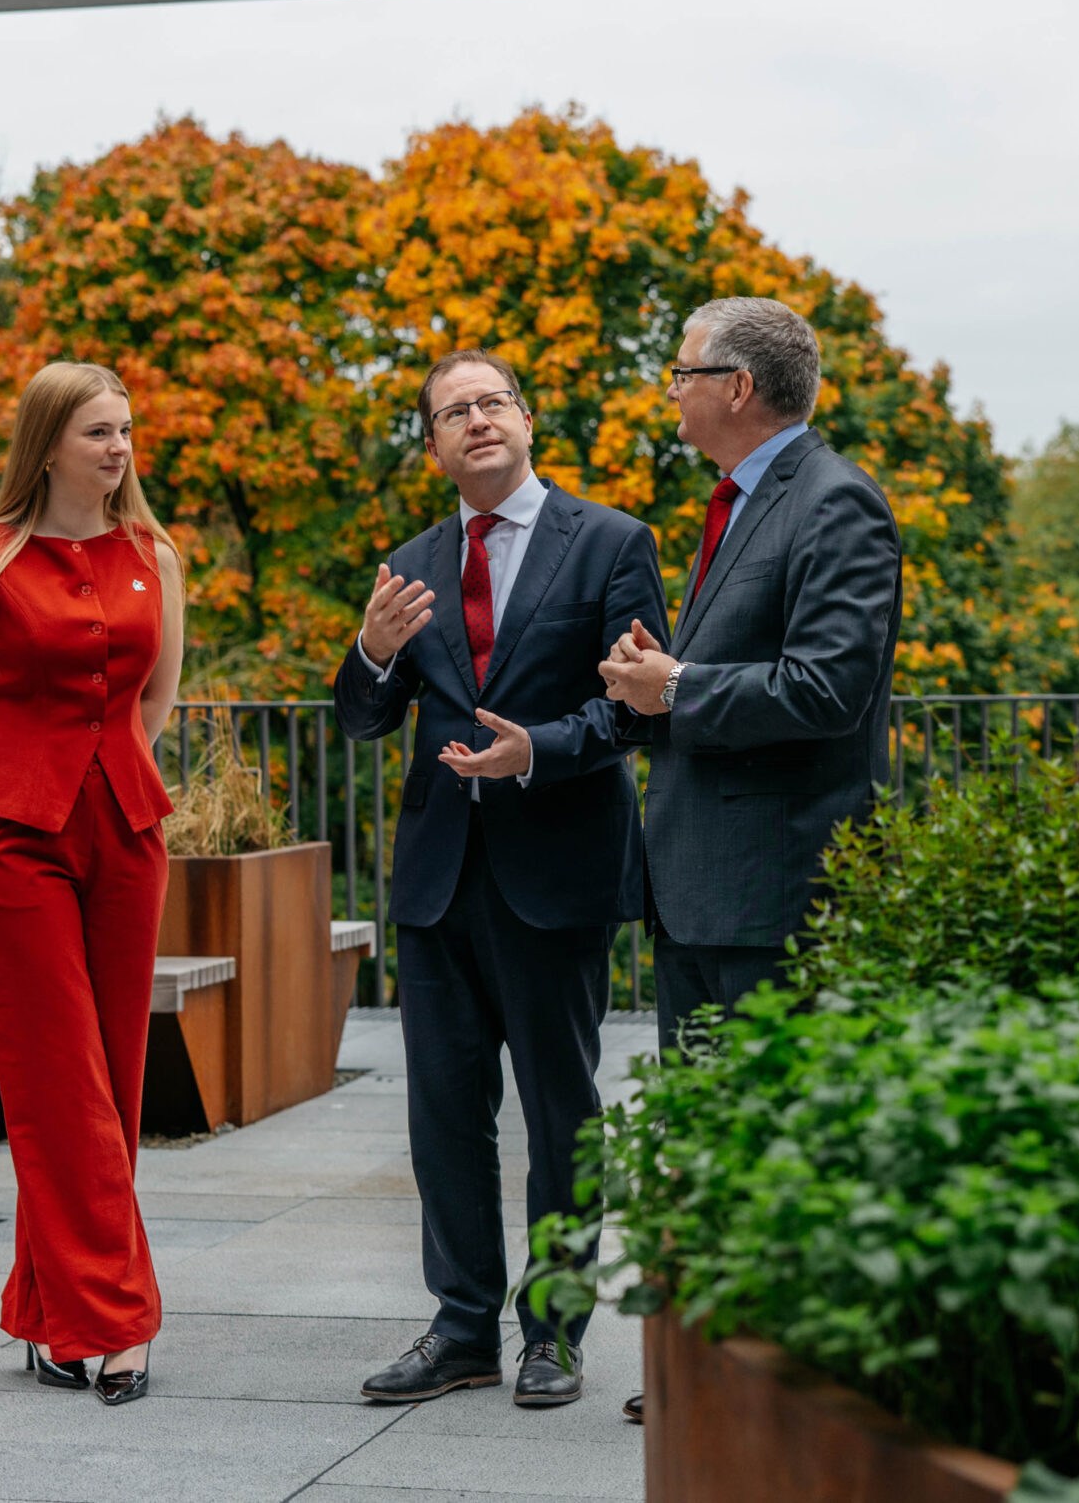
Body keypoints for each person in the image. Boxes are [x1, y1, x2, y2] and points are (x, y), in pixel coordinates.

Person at [335, 348, 668, 1412]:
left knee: (561, 1113)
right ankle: (462, 1326)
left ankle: (555, 1332)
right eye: (452, 412)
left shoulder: (611, 541)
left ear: (525, 422)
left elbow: (635, 702)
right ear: (434, 446)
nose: (475, 421)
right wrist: (371, 651)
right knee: (442, 1114)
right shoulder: (412, 560)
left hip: (555, 868)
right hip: (439, 879)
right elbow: (361, 715)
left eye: (492, 403)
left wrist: (541, 750)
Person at [597, 296, 903, 1426]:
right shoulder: (738, 501)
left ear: (736, 386)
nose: (668, 388)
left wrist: (675, 686)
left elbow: (828, 693)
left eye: (679, 370)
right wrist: (659, 676)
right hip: (701, 887)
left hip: (775, 891)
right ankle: (716, 1363)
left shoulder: (836, 504)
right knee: (715, 1142)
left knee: (780, 1142)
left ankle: (774, 1376)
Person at [0, 360, 184, 1408]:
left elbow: (156, 696)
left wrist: (105, 776)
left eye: (124, 431)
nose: (118, 449)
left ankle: (44, 1306)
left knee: (108, 1079)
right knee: (58, 1080)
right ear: (49, 444)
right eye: (97, 433)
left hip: (125, 828)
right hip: (10, 839)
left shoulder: (154, 554)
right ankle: (112, 1321)